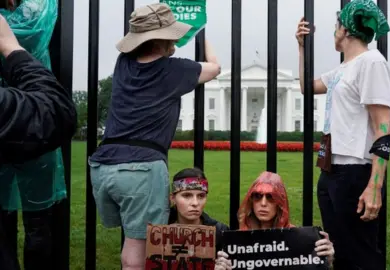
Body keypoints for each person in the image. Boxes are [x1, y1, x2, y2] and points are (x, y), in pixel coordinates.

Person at [88, 3, 221, 270]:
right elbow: (215, 68)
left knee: (130, 239)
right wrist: (202, 33)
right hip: (141, 169)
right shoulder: (174, 70)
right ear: (165, 37)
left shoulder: (123, 63)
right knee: (139, 246)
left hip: (103, 166)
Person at [296, 0, 390, 269]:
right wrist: (302, 47)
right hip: (331, 170)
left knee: (360, 256)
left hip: (355, 173)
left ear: (347, 29)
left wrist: (374, 186)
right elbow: (306, 87)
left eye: (336, 25)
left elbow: (383, 128)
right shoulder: (342, 69)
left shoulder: (372, 62)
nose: (333, 31)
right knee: (339, 254)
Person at [0, 11, 76, 270]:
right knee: (39, 222)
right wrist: (11, 46)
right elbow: (55, 112)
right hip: (32, 130)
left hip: (15, 119)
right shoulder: (38, 18)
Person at [215, 171, 335, 270]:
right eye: (257, 196)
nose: (263, 203)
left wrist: (326, 260)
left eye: (271, 197)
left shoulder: (299, 240)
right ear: (251, 201)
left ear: (280, 203)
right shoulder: (237, 243)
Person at [162, 167, 231, 270]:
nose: (195, 203)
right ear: (173, 198)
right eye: (187, 195)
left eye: (201, 196)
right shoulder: (159, 229)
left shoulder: (220, 232)